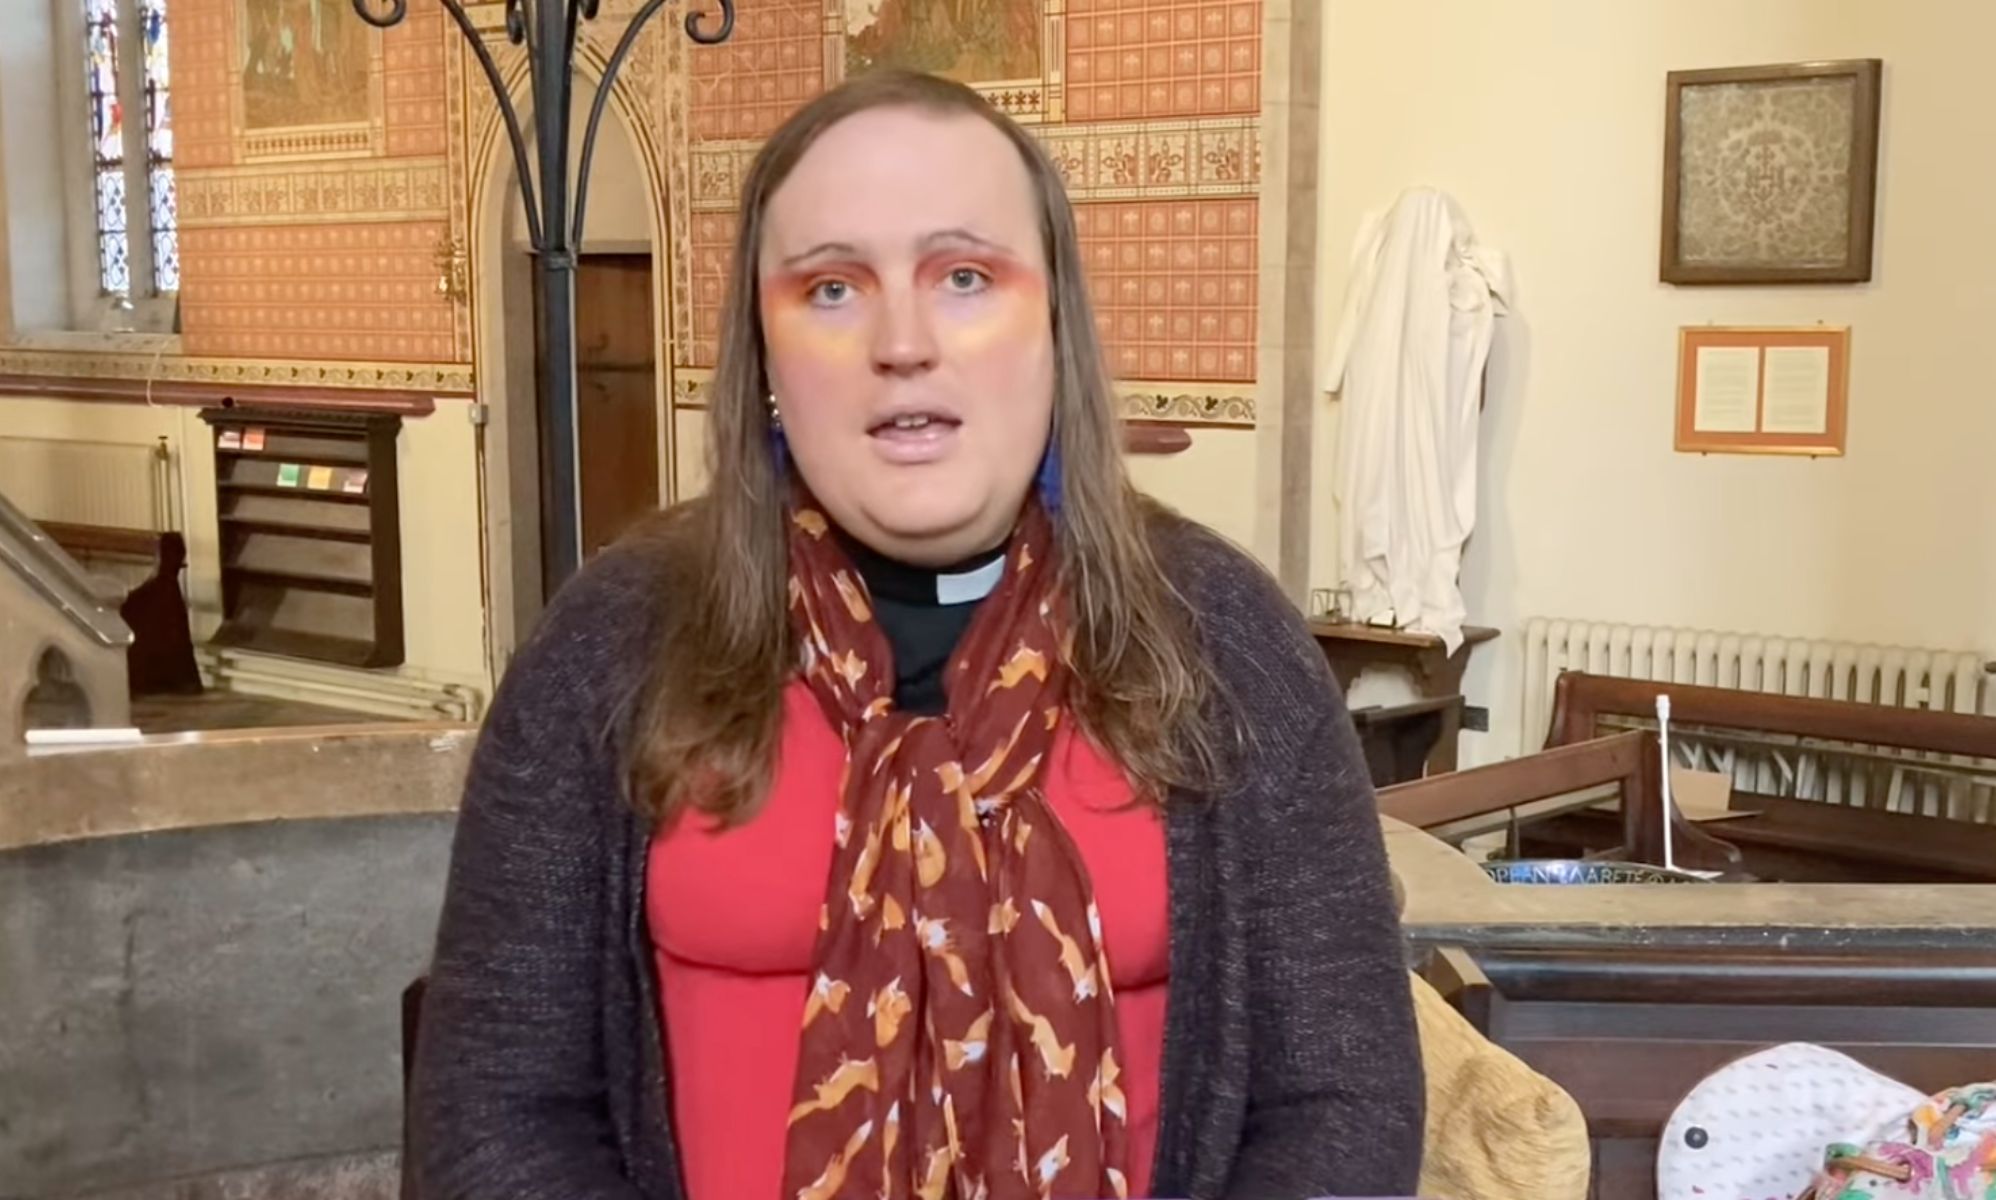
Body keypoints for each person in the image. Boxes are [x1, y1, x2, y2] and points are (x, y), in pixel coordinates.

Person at [410, 68, 1423, 1200]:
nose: (902, 341)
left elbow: (1341, 1101)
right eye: (832, 288)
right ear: (764, 350)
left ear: (1053, 324)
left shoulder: (1227, 640)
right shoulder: (613, 641)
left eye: (963, 276)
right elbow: (499, 1110)